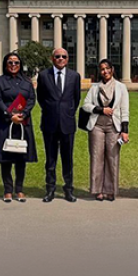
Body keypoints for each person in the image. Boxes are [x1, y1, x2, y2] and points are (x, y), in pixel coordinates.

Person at [36, 48, 81, 203]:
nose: (61, 58)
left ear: (67, 59)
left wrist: (66, 113)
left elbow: (76, 99)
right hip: (49, 123)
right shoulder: (43, 76)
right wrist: (52, 111)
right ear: (52, 58)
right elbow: (40, 98)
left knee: (67, 159)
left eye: (64, 56)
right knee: (50, 159)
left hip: (67, 124)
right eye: (57, 56)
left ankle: (68, 190)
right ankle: (50, 189)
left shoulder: (74, 76)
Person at [0, 52, 37, 202]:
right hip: (6, 123)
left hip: (23, 124)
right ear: (5, 64)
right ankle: (7, 190)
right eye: (10, 62)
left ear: (20, 64)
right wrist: (10, 114)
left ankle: (19, 189)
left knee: (20, 157)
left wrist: (23, 114)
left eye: (16, 62)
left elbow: (31, 99)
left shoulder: (27, 82)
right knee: (6, 158)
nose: (13, 65)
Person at [82, 59, 129, 201]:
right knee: (97, 157)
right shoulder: (95, 87)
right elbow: (86, 105)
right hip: (97, 125)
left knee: (112, 157)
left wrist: (124, 130)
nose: (105, 71)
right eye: (102, 69)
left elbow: (125, 109)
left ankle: (110, 190)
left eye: (107, 68)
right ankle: (98, 190)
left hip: (113, 126)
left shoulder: (121, 87)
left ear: (112, 69)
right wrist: (101, 109)